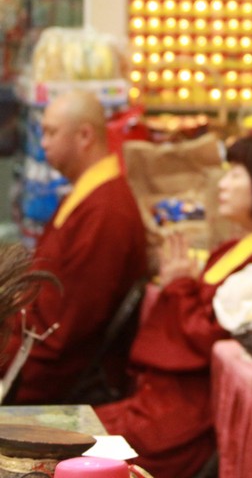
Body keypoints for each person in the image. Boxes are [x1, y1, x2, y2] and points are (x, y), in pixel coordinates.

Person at [96, 135, 252, 478]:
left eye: (236, 174)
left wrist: (180, 285)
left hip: (187, 414)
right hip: (162, 398)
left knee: (82, 447)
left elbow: (209, 338)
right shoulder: (236, 247)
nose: (222, 184)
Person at [8, 89, 148, 404]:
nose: (43, 143)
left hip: (49, 376)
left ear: (85, 135)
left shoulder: (106, 212)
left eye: (51, 132)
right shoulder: (88, 196)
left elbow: (62, 334)